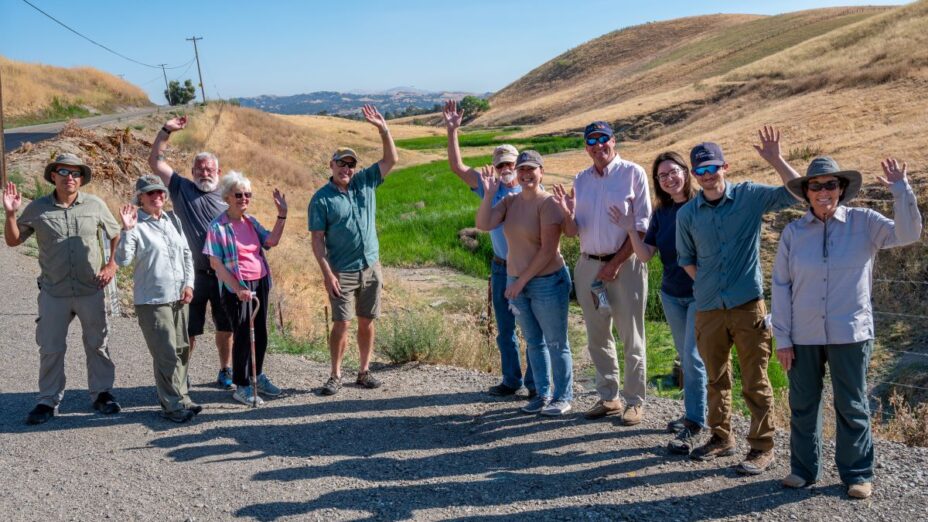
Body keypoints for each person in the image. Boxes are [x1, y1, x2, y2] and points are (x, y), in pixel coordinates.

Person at [772, 156, 921, 499]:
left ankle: (857, 474)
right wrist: (783, 337)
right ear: (806, 192)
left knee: (852, 405)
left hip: (851, 333)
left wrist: (901, 189)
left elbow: (909, 234)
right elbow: (780, 286)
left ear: (841, 189)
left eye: (830, 185)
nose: (824, 191)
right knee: (803, 403)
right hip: (803, 335)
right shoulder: (793, 233)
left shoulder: (865, 222)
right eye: (816, 186)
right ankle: (803, 471)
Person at [675, 126, 800, 474]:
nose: (707, 175)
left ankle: (761, 447)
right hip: (709, 308)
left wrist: (777, 160)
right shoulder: (687, 215)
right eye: (700, 170)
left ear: (724, 167)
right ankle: (720, 437)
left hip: (747, 305)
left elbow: (797, 194)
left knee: (755, 379)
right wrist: (709, 287)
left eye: (712, 168)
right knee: (715, 378)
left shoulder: (749, 196)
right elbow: (686, 259)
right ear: (694, 175)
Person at [3, 153, 122, 425]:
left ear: (81, 178)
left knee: (98, 343)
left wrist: (111, 264)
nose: (70, 177)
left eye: (76, 173)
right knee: (51, 347)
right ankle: (47, 400)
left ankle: (102, 394)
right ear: (53, 176)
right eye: (64, 172)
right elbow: (13, 241)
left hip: (90, 288)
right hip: (53, 292)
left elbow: (115, 232)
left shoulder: (95, 205)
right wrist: (10, 214)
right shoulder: (37, 208)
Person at [609, 151, 707, 454]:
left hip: (701, 294)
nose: (669, 179)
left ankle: (697, 421)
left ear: (686, 172)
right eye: (662, 176)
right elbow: (646, 255)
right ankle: (693, 415)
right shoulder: (661, 212)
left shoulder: (702, 205)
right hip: (671, 294)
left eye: (673, 172)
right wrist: (629, 227)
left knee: (693, 357)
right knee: (684, 355)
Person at [442, 99, 534, 398]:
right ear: (495, 168)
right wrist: (452, 130)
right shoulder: (488, 186)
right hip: (500, 265)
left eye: (512, 164)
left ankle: (535, 384)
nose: (507, 169)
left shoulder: (529, 187)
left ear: (520, 166)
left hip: (530, 268)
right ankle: (511, 381)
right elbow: (456, 166)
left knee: (533, 331)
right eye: (502, 164)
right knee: (505, 329)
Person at [561, 120, 651, 426]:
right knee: (597, 335)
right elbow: (574, 230)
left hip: (624, 265)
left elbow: (642, 226)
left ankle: (635, 401)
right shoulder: (581, 179)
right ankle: (609, 397)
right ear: (586, 147)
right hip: (588, 265)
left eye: (604, 140)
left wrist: (614, 263)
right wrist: (566, 212)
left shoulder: (633, 173)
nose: (598, 147)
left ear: (614, 141)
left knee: (631, 336)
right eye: (592, 142)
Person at [477, 150, 574, 416]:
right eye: (522, 170)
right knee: (533, 341)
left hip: (547, 282)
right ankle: (542, 395)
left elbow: (547, 251)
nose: (526, 175)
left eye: (532, 170)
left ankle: (563, 396)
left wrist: (519, 283)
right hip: (516, 280)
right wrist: (488, 194)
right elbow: (483, 223)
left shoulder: (549, 203)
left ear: (541, 172)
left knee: (556, 342)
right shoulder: (509, 201)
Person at [309, 104, 398, 396]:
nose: (346, 169)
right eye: (341, 164)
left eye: (350, 164)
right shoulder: (321, 199)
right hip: (342, 270)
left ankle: (363, 371)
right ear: (331, 165)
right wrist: (327, 274)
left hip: (371, 266)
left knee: (367, 322)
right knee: (341, 324)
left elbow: (391, 159)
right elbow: (317, 240)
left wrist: (383, 130)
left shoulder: (365, 182)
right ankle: (334, 375)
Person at [149, 116, 235, 389]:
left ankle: (226, 370)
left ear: (219, 172)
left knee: (226, 327)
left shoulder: (228, 196)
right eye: (199, 169)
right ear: (192, 171)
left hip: (223, 275)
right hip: (192, 275)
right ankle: (182, 374)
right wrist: (166, 131)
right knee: (189, 329)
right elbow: (155, 162)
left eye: (209, 169)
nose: (204, 173)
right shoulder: (181, 187)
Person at [115, 175, 199, 423]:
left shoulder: (172, 219)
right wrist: (128, 230)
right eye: (150, 193)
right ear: (140, 197)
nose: (157, 197)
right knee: (166, 354)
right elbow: (123, 260)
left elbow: (186, 254)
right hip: (153, 301)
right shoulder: (135, 225)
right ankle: (171, 405)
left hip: (179, 298)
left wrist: (189, 284)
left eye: (161, 192)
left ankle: (182, 397)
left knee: (182, 350)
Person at [203, 171, 288, 406]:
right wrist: (236, 288)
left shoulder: (250, 222)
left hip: (259, 283)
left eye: (247, 195)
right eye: (238, 195)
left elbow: (270, 241)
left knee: (260, 333)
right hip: (236, 287)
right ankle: (241, 385)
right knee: (242, 335)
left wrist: (282, 216)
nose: (244, 199)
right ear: (227, 197)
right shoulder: (218, 227)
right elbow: (216, 264)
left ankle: (257, 375)